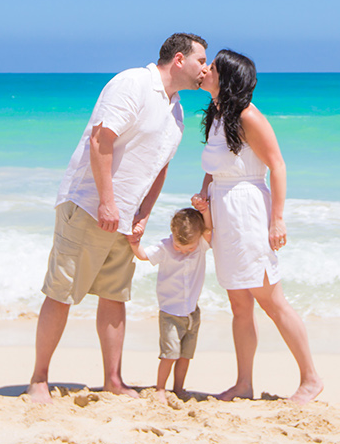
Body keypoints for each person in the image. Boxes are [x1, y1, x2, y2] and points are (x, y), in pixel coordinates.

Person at [26, 33, 208, 403]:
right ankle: (39, 380)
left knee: (114, 296)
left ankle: (113, 380)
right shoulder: (133, 83)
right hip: (89, 205)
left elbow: (160, 167)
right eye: (200, 60)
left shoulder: (176, 109)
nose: (205, 69)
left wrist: (142, 214)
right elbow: (100, 140)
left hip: (126, 219)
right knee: (61, 292)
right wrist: (107, 203)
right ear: (178, 59)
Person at [193, 49, 323, 406]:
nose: (205, 70)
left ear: (228, 78)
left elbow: (278, 166)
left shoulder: (249, 116)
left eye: (213, 67)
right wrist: (205, 193)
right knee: (239, 304)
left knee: (272, 300)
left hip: (249, 212)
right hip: (224, 211)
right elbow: (216, 163)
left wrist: (277, 219)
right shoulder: (218, 115)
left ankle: (311, 379)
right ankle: (244, 383)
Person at [130, 206, 211, 403]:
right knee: (169, 355)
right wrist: (134, 241)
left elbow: (209, 229)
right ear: (172, 234)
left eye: (188, 248)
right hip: (170, 314)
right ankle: (160, 388)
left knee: (185, 355)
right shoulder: (165, 247)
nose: (183, 251)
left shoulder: (201, 243)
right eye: (179, 246)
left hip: (193, 313)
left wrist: (204, 210)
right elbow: (142, 255)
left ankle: (179, 388)